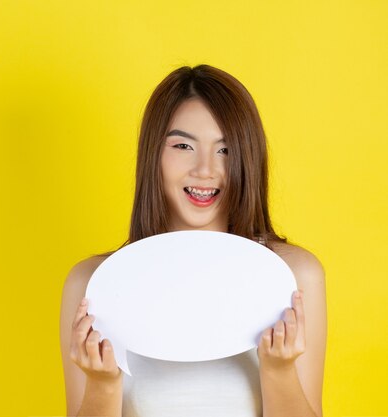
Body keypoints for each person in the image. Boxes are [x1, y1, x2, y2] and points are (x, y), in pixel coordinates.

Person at [59, 64, 327, 417]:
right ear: (153, 154)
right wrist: (103, 384)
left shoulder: (293, 276)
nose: (205, 169)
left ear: (248, 159)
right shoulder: (93, 283)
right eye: (183, 145)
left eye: (225, 150)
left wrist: (279, 371)